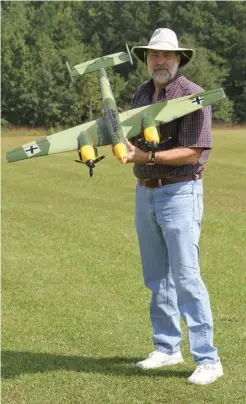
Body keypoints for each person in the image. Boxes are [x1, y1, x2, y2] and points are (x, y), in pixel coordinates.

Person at [124, 28, 224, 385]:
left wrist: (145, 154)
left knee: (186, 276)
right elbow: (132, 136)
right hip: (146, 192)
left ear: (179, 59)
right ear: (147, 59)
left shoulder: (194, 96)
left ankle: (208, 358)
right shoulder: (142, 92)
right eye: (154, 55)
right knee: (157, 278)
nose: (160, 61)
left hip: (180, 193)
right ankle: (166, 348)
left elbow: (194, 150)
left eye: (167, 56)